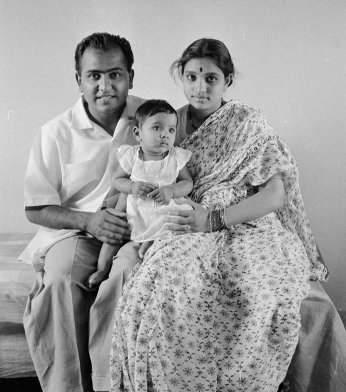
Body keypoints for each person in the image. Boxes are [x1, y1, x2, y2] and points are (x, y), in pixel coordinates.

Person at [110, 38, 328, 392]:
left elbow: (275, 194)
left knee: (256, 292)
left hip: (241, 220)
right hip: (185, 220)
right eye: (192, 76)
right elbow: (134, 177)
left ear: (227, 81)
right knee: (167, 290)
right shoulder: (166, 123)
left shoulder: (247, 122)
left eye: (211, 78)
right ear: (180, 76)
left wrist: (214, 219)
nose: (200, 87)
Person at [20, 32, 145, 392]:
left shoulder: (153, 116)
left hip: (133, 232)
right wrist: (89, 221)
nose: (105, 85)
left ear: (130, 77)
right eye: (94, 76)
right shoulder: (55, 132)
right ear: (79, 81)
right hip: (76, 232)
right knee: (60, 278)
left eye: (115, 74)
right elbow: (36, 207)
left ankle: (113, 385)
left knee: (131, 275)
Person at [88, 99, 193, 288]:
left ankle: (148, 244)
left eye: (171, 130)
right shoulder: (131, 155)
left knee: (170, 228)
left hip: (162, 209)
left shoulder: (175, 157)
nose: (165, 135)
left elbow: (188, 183)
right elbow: (117, 180)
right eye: (157, 128)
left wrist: (172, 189)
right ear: (138, 134)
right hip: (134, 210)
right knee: (113, 236)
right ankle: (101, 270)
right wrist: (133, 186)